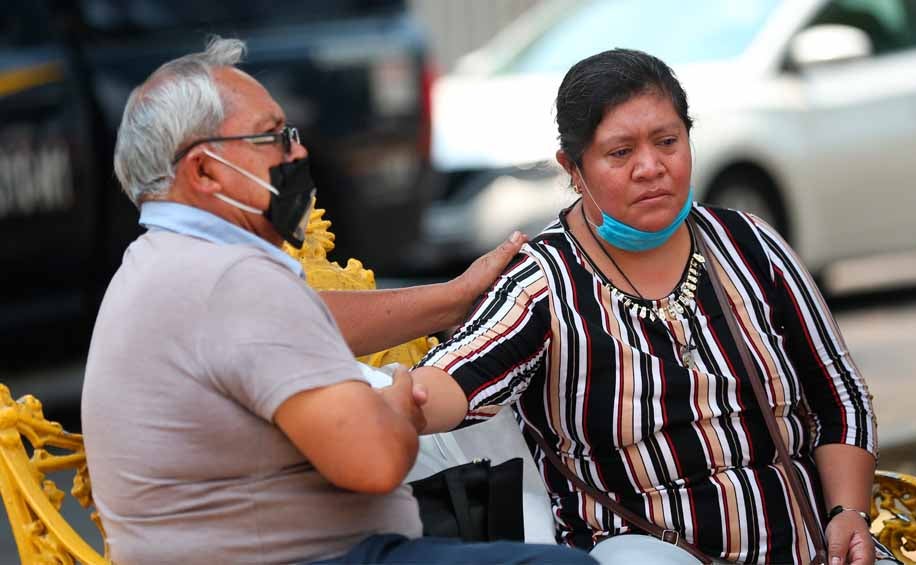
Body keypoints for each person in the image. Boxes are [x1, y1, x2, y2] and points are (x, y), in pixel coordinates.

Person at [81, 36, 597, 565]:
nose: (298, 152)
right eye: (273, 136)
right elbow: (373, 460)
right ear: (206, 171)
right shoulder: (231, 279)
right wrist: (398, 406)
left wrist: (453, 298)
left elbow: (304, 321)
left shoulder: (162, 263)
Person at [412, 49, 897, 565]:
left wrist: (848, 513)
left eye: (668, 142)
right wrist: (380, 405)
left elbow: (839, 394)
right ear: (572, 168)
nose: (651, 167)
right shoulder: (541, 283)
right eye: (620, 153)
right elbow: (447, 385)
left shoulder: (750, 245)